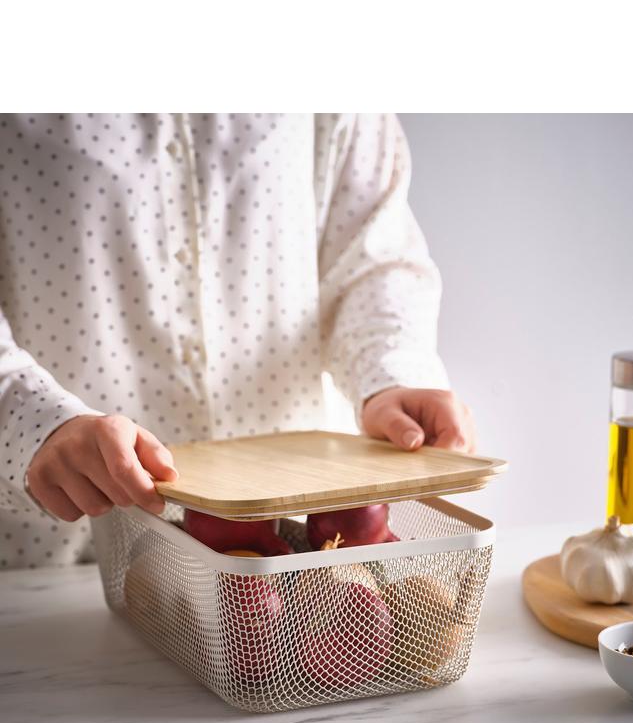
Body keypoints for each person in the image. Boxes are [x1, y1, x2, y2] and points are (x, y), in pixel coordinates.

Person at [0, 113, 475, 569]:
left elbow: (373, 252)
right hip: (59, 561)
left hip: (301, 560)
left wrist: (389, 374)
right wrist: (33, 422)